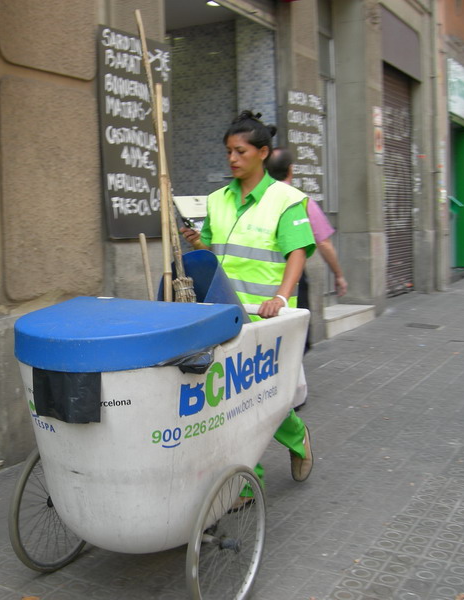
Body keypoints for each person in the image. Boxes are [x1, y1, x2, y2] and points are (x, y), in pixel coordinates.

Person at [180, 110, 315, 492]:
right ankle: (243, 484)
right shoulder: (217, 200)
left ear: (262, 153)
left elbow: (297, 254)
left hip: (267, 318)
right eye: (228, 152)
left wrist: (280, 296)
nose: (232, 159)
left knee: (262, 398)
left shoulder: (286, 200)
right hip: (225, 313)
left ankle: (296, 437)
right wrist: (197, 244)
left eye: (240, 151)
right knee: (231, 402)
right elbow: (215, 254)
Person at [267, 147, 347, 352]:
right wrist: (338, 275)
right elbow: (324, 243)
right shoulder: (298, 200)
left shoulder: (254, 200)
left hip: (258, 290)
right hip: (290, 287)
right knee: (294, 344)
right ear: (291, 170)